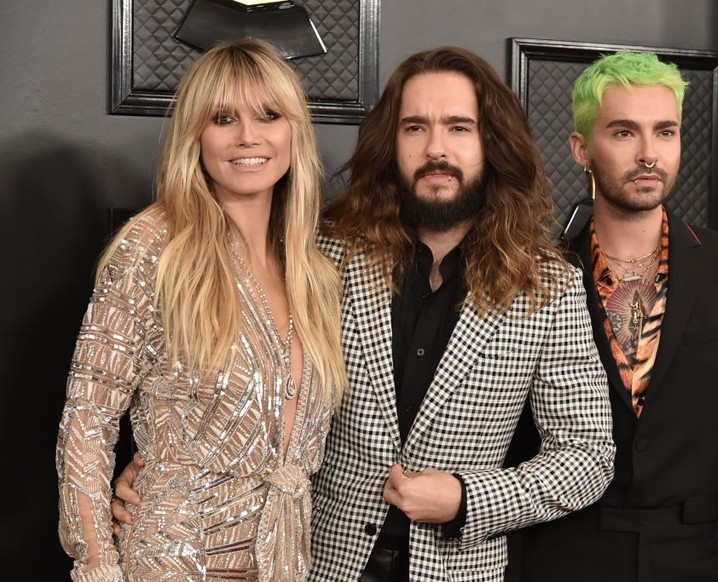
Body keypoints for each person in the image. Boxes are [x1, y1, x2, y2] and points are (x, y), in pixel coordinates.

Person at [113, 45, 617, 581]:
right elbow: (236, 385)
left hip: (461, 569)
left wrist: (469, 498)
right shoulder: (318, 253)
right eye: (415, 128)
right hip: (315, 564)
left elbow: (587, 455)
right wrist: (170, 477)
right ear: (390, 142)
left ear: (492, 144)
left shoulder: (549, 284)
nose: (437, 149)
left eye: (460, 128)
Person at [56, 38, 347, 582]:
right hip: (177, 559)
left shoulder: (311, 267)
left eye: (268, 115)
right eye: (222, 118)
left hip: (286, 557)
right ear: (196, 135)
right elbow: (88, 418)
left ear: (294, 132)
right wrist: (96, 562)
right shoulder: (155, 244)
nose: (248, 137)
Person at [514, 50, 718, 581]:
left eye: (665, 132)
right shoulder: (537, 277)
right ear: (581, 148)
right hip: (565, 556)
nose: (649, 153)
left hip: (700, 559)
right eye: (624, 133)